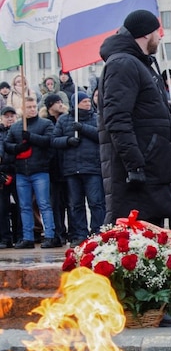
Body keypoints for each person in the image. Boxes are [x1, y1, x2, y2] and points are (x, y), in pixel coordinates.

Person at [99, 9, 171, 226]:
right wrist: (134, 165)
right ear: (145, 34)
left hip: (151, 170)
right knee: (135, 247)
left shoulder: (141, 64)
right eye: (157, 31)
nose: (160, 36)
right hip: (137, 174)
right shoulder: (123, 64)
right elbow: (117, 119)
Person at [3, 97, 59, 249]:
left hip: (40, 171)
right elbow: (7, 144)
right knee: (25, 206)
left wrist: (31, 138)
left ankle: (50, 235)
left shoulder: (45, 124)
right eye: (29, 107)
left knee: (44, 204)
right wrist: (17, 148)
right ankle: (27, 237)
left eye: (34, 106)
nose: (32, 109)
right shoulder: (16, 127)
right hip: (22, 172)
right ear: (23, 109)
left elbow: (49, 141)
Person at [51, 90, 104, 243]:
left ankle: (97, 233)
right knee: (75, 204)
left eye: (88, 101)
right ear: (76, 104)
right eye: (84, 101)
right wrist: (68, 140)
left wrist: (82, 128)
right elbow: (54, 140)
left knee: (96, 202)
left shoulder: (96, 118)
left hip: (92, 168)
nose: (88, 104)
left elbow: (101, 136)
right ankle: (80, 235)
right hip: (71, 169)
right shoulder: (63, 120)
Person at [42, 93, 70, 245]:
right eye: (56, 102)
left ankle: (71, 232)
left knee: (70, 203)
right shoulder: (46, 122)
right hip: (53, 169)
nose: (60, 104)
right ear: (50, 105)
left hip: (67, 166)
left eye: (61, 101)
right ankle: (59, 232)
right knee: (56, 204)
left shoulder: (67, 118)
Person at [0, 106, 20, 248]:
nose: (10, 118)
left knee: (20, 207)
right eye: (6, 116)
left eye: (12, 115)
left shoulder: (20, 131)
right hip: (2, 174)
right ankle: (5, 237)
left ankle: (19, 236)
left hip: (18, 172)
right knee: (2, 208)